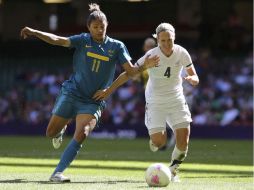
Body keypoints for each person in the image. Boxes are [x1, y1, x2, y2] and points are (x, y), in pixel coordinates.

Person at [20, 3, 159, 183]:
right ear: (89, 27)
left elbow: (130, 72)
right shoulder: (82, 40)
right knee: (50, 133)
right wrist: (35, 32)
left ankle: (57, 173)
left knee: (83, 132)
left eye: (102, 26)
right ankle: (61, 130)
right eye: (95, 27)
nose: (99, 30)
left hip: (93, 100)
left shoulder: (117, 47)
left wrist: (144, 66)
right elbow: (58, 40)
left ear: (107, 25)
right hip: (72, 93)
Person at [93, 23, 199, 182]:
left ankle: (172, 171)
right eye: (163, 40)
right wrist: (108, 90)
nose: (167, 44)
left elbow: (194, 75)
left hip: (177, 99)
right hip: (155, 101)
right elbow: (128, 73)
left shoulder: (182, 53)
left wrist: (193, 79)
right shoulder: (151, 55)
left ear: (174, 38)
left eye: (169, 40)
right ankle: (154, 136)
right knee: (159, 142)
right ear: (158, 41)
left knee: (184, 140)